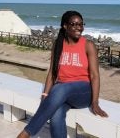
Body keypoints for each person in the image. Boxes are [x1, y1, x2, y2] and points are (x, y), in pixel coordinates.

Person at [17, 10, 108, 138]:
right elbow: (52, 73)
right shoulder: (58, 45)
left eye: (81, 24)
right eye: (74, 24)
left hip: (83, 92)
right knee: (56, 115)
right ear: (65, 26)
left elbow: (94, 75)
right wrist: (45, 95)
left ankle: (26, 133)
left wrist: (95, 102)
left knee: (61, 87)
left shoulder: (88, 45)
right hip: (62, 94)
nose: (79, 28)